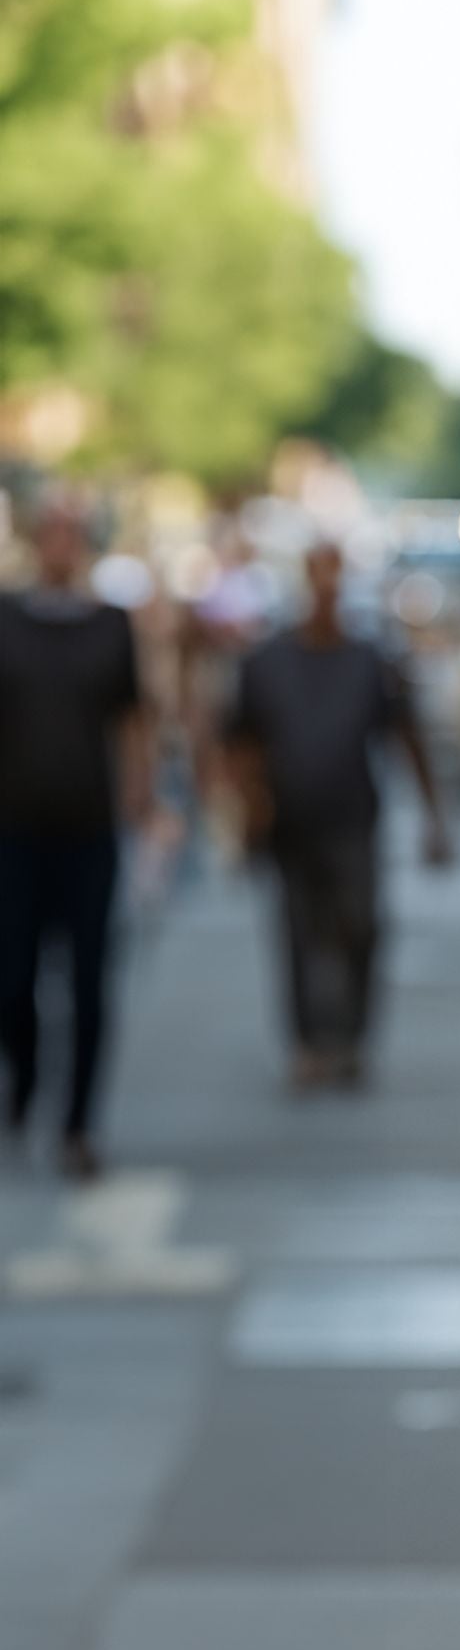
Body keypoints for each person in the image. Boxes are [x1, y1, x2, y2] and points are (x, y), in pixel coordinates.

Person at [223, 538, 453, 1090]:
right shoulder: (267, 660)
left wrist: (433, 817)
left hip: (353, 819)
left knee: (360, 925)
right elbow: (239, 740)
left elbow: (407, 735)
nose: (326, 585)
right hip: (290, 821)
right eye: (317, 572)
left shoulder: (371, 659)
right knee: (298, 931)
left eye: (334, 573)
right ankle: (308, 1043)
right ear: (304, 577)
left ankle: (349, 1038)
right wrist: (248, 806)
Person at [0, 496, 164, 1180]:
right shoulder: (6, 619)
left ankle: (78, 1124)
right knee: (14, 978)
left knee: (91, 981)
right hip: (14, 830)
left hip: (90, 829)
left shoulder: (110, 625)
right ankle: (27, 1073)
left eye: (72, 534)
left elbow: (132, 719)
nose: (61, 545)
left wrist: (141, 794)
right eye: (51, 534)